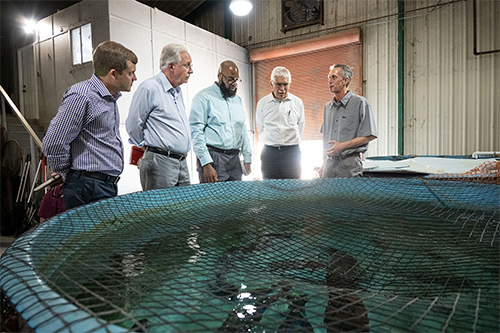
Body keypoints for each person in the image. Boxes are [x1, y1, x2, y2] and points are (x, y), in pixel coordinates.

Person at [43, 41, 138, 209]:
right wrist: (68, 174)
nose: (134, 78)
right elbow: (55, 141)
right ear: (113, 74)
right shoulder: (82, 96)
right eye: (131, 73)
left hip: (101, 185)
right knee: (89, 235)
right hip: (87, 187)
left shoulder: (109, 99)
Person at [126, 44, 193, 190]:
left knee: (184, 210)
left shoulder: (177, 91)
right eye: (187, 65)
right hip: (160, 163)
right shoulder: (150, 88)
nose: (191, 70)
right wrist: (150, 150)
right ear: (171, 66)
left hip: (181, 162)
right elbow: (132, 125)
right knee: (162, 211)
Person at [190, 60, 252, 183]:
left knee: (236, 200)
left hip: (235, 158)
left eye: (236, 80)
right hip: (214, 157)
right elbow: (196, 132)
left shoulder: (238, 101)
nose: (234, 84)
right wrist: (206, 163)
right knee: (213, 200)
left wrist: (247, 157)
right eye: (230, 80)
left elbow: (243, 129)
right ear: (220, 76)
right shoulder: (203, 98)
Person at [320, 64, 377, 178]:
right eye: (329, 78)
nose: (330, 81)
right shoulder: (328, 107)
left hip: (349, 164)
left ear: (345, 80)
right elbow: (325, 138)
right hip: (329, 165)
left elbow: (370, 135)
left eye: (334, 77)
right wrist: (323, 163)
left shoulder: (360, 103)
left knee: (350, 196)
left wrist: (342, 146)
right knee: (328, 196)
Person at [256, 66, 305, 179]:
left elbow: (300, 126)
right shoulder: (262, 103)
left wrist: (289, 144)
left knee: (293, 189)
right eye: (278, 84)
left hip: (292, 153)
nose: (282, 88)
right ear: (271, 83)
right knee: (270, 189)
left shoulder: (297, 102)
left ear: (290, 84)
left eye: (285, 84)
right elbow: (260, 128)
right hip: (270, 153)